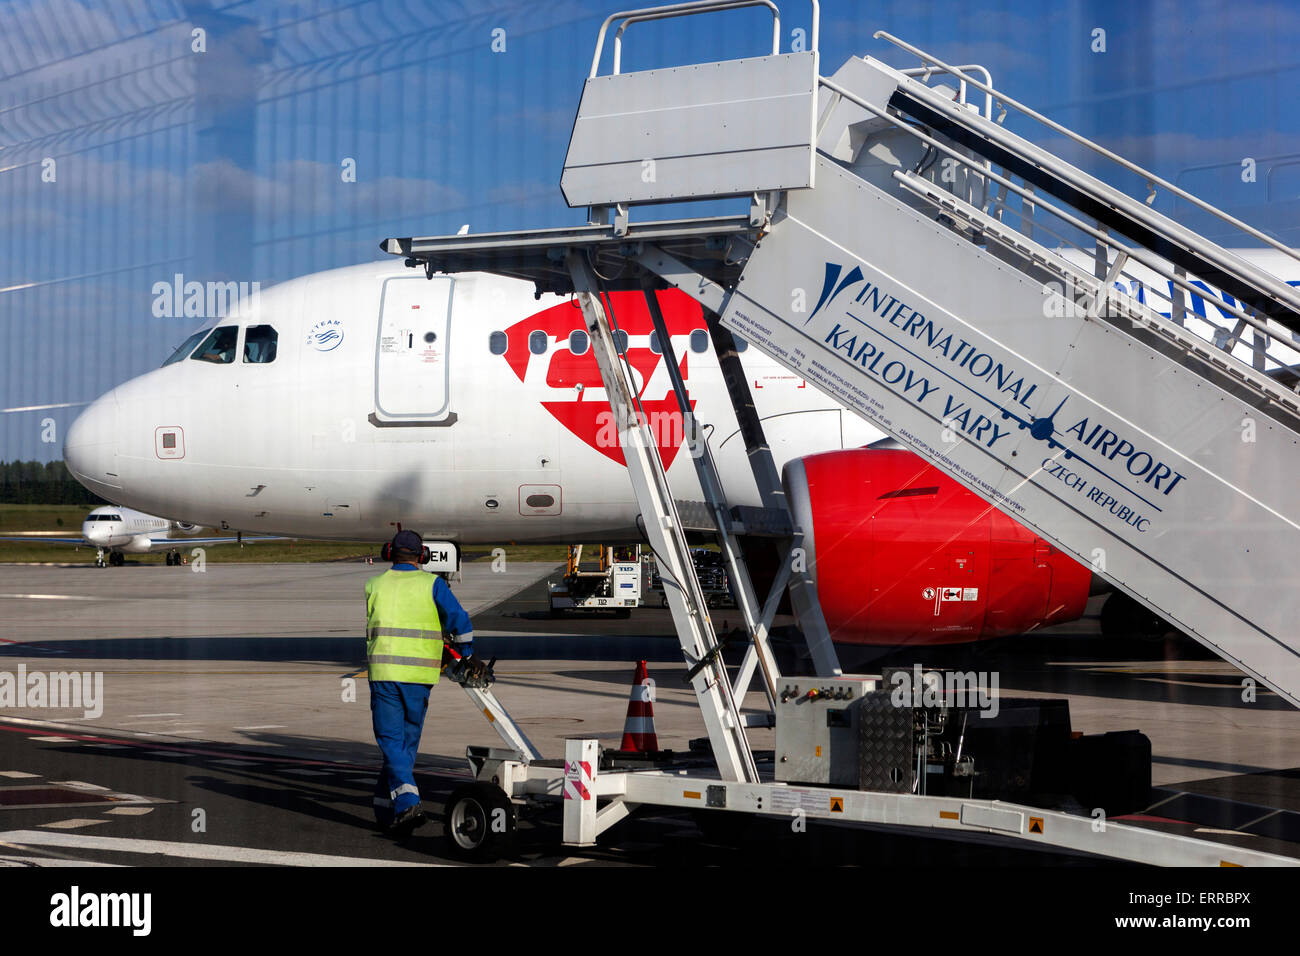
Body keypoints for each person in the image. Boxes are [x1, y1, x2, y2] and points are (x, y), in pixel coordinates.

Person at [364, 529, 475, 837]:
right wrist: (466, 653)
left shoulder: (374, 584)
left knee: (391, 741)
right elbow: (460, 620)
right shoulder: (433, 584)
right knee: (406, 744)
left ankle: (407, 802)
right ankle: (390, 809)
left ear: (389, 552)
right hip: (420, 677)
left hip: (385, 674)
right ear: (422, 556)